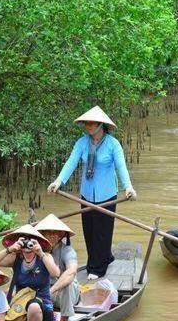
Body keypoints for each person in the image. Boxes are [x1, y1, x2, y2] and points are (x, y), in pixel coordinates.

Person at [47, 106, 136, 280]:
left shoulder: (113, 144)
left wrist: (128, 187)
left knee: (102, 232)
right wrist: (58, 181)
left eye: (91, 123)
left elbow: (121, 167)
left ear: (101, 124)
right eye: (86, 123)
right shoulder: (82, 143)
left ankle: (97, 268)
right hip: (87, 194)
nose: (88, 126)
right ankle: (106, 258)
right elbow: (71, 163)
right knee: (89, 230)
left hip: (107, 194)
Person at [0, 225, 59, 321]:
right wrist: (10, 249)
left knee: (34, 307)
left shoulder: (45, 257)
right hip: (19, 309)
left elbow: (55, 273)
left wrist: (40, 253)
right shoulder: (16, 259)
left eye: (31, 241)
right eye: (24, 241)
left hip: (41, 308)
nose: (28, 245)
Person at [35, 214, 79, 321]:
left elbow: (72, 271)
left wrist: (51, 291)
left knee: (67, 283)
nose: (52, 236)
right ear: (42, 234)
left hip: (60, 293)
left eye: (55, 232)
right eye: (48, 232)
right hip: (43, 291)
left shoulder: (67, 251)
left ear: (60, 235)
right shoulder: (35, 249)